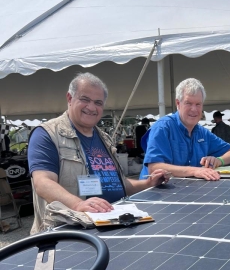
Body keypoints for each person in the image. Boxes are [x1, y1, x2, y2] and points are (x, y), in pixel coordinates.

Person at [28, 72, 169, 234]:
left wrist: (149, 183)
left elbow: (119, 184)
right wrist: (78, 204)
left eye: (98, 102)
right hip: (70, 231)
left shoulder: (104, 139)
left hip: (113, 223)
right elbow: (43, 182)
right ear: (69, 98)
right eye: (85, 99)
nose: (91, 107)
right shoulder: (46, 134)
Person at [140, 79, 230, 181]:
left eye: (198, 104)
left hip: (184, 188)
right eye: (188, 103)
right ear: (178, 103)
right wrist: (195, 171)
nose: (194, 109)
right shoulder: (162, 128)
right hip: (156, 190)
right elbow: (154, 168)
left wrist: (218, 160)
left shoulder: (203, 133)